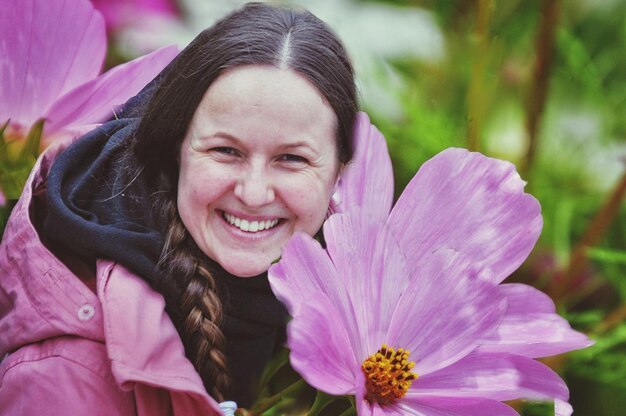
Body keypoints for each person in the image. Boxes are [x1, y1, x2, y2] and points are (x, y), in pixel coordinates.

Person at [0, 2, 357, 414]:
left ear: (339, 172)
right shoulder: (67, 378)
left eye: (292, 158)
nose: (254, 193)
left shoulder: (332, 302)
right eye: (225, 150)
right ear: (174, 151)